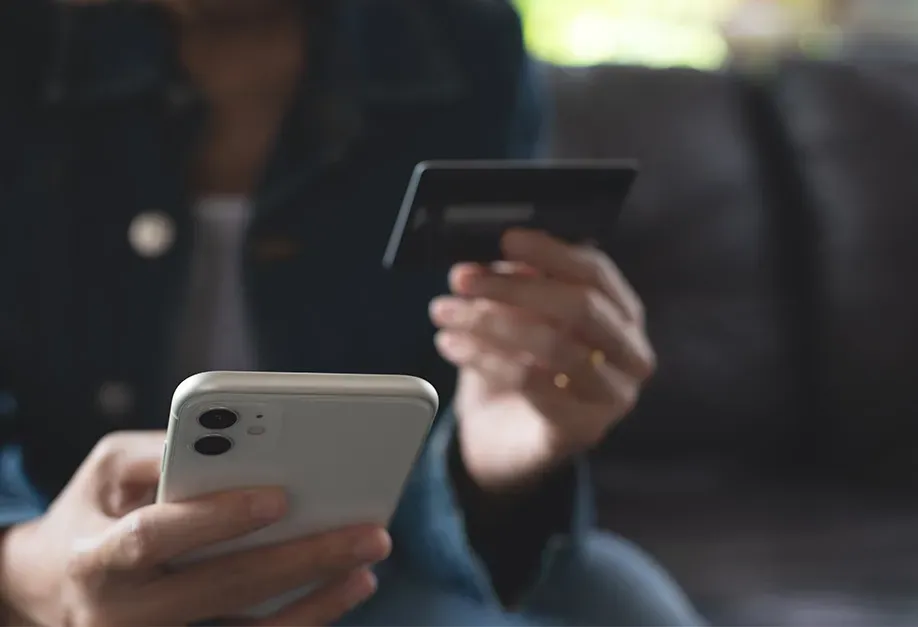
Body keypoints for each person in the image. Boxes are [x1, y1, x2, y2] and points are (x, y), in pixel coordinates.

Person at [0, 1, 702, 625]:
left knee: (616, 598)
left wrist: (487, 458)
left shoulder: (465, 40)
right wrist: (20, 566)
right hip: (55, 539)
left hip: (371, 556)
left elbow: (446, 421)